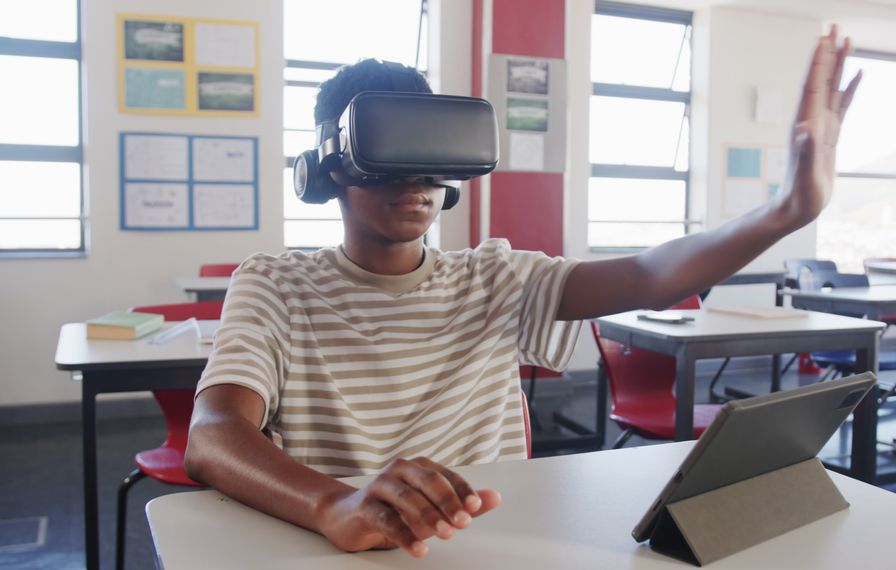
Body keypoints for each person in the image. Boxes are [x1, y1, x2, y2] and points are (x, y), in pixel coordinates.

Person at [185, 25, 861, 558]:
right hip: (342, 547)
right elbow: (213, 436)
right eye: (388, 149)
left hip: (494, 544)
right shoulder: (275, 285)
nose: (413, 176)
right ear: (328, 166)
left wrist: (785, 212)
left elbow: (654, 272)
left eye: (430, 150)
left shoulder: (494, 276)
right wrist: (332, 505)